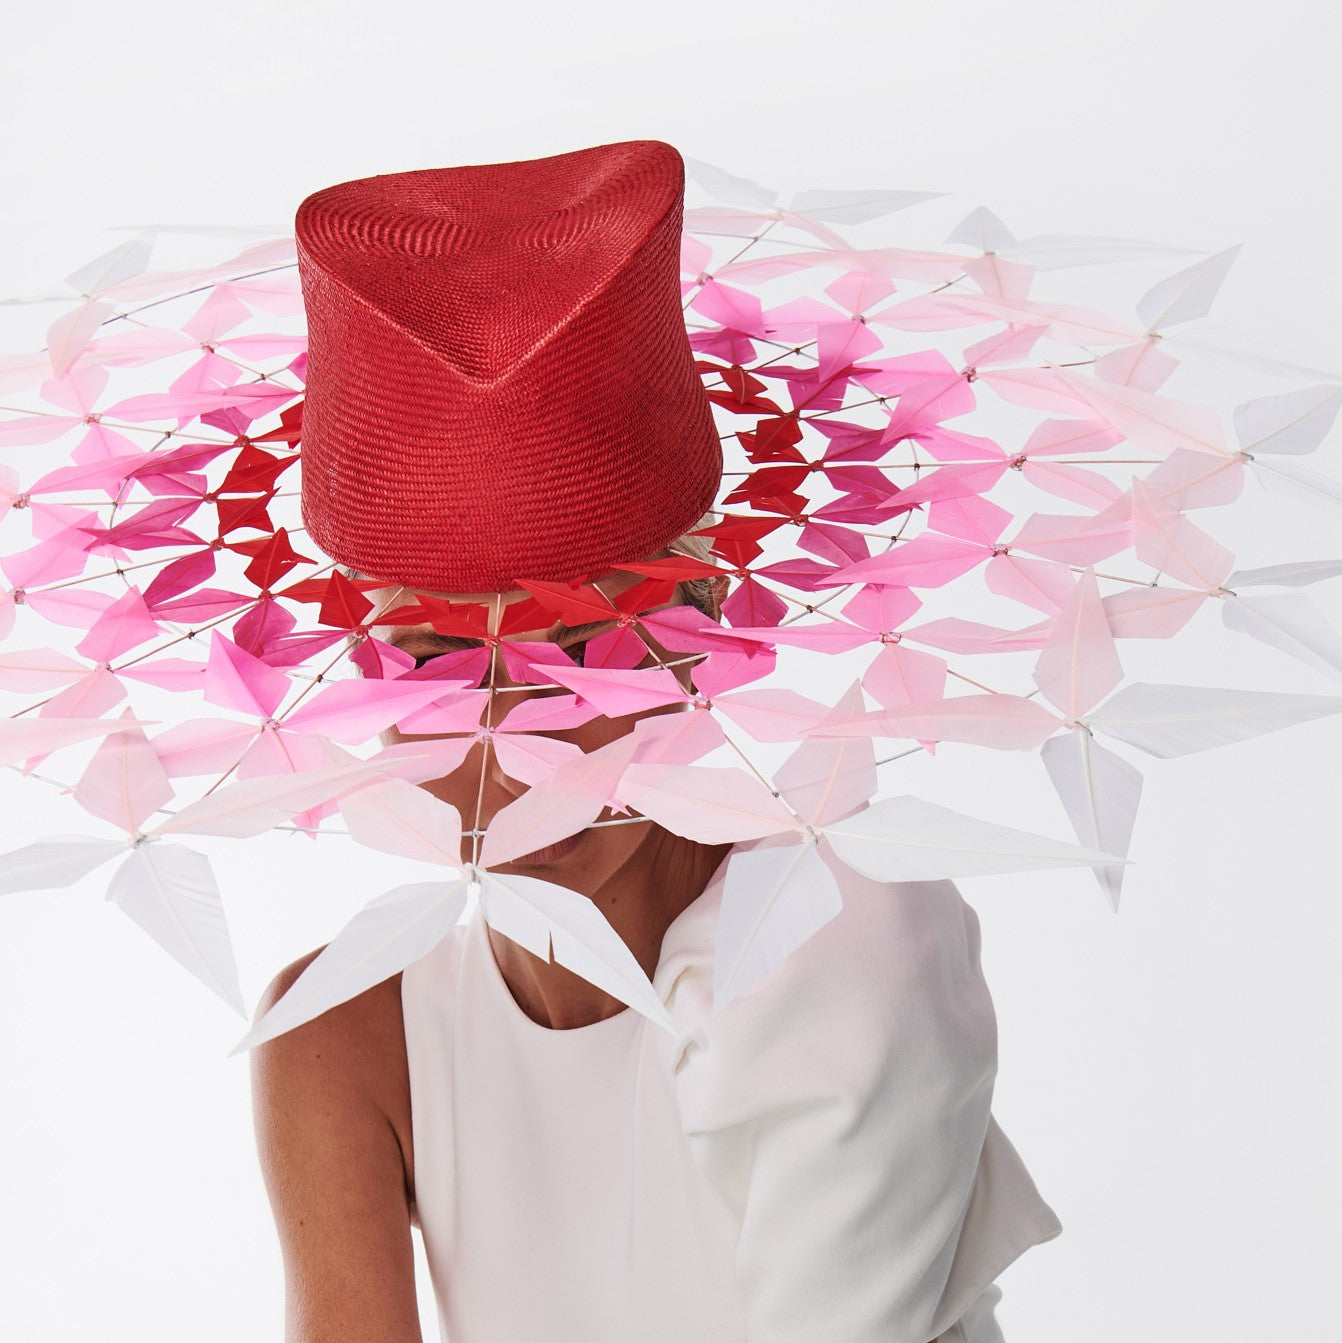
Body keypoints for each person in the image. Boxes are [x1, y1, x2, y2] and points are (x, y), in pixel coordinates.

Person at [249, 139, 1062, 1342]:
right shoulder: (340, 1029)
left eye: (580, 648)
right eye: (431, 666)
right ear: (364, 674)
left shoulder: (843, 943)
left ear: (702, 628)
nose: (511, 755)